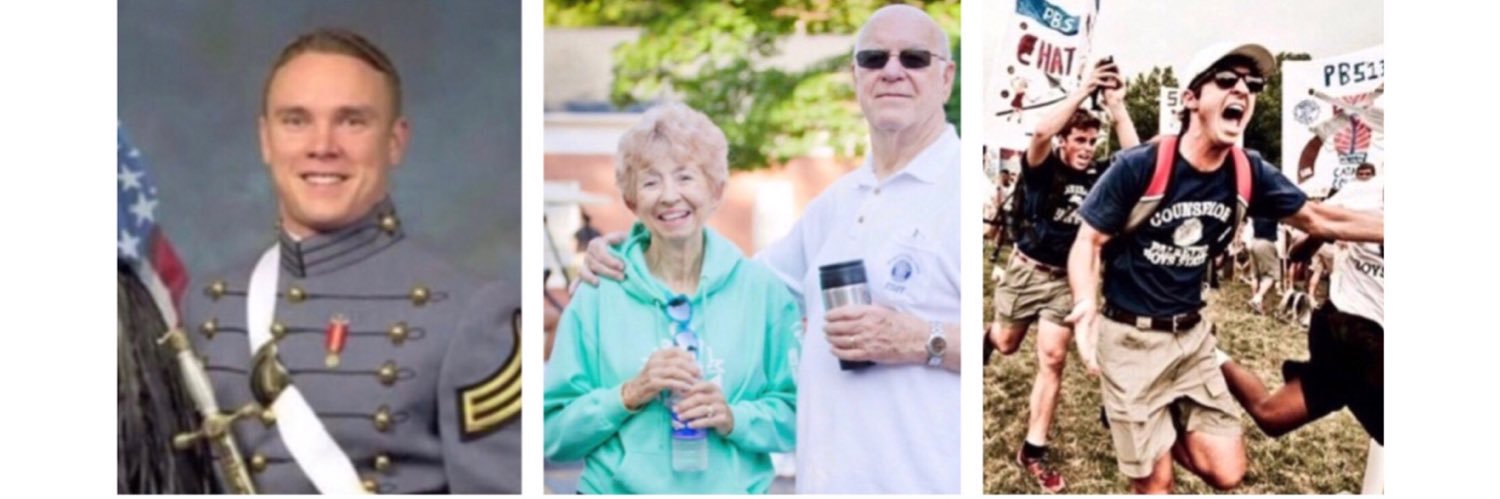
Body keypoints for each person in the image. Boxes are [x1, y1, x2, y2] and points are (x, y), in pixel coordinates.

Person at [579, 5, 962, 493]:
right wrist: (633, 251)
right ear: (855, 76)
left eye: (914, 58)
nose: (891, 71)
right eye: (872, 58)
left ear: (945, 78)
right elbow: (728, 283)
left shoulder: (966, 186)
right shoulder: (839, 202)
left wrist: (921, 339)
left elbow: (1008, 342)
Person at [182, 28, 521, 493]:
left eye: (352, 121)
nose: (323, 145)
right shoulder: (208, 305)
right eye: (295, 120)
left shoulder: (474, 311)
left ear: (395, 141)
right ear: (266, 139)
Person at [1066, 42, 1384, 494]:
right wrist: (1083, 303)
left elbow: (1320, 218)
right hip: (1131, 339)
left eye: (1252, 85)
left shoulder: (1247, 170)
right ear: (1191, 99)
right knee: (1156, 487)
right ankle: (1138, 414)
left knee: (1228, 472)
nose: (1244, 89)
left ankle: (1150, 418)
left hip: (1194, 340)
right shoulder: (1141, 166)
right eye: (1227, 80)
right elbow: (1088, 241)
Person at [542, 103, 800, 494]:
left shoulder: (762, 291)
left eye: (685, 178)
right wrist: (630, 393)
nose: (669, 196)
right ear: (631, 202)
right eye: (649, 182)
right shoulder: (599, 291)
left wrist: (734, 417)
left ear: (716, 191)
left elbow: (799, 414)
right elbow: (552, 434)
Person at [985, 58, 1139, 492]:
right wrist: (1083, 87)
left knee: (1052, 360)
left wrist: (1117, 105)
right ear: (1065, 141)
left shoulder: (1100, 174)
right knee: (1006, 344)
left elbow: (1136, 157)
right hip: (1025, 271)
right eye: (1080, 139)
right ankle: (988, 336)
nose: (1088, 147)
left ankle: (1032, 449)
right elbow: (1038, 133)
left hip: (1065, 280)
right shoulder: (1043, 168)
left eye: (1092, 140)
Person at [1220, 162, 1384, 445]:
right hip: (1352, 327)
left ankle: (1208, 354)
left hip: (1351, 350)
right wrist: (1325, 231)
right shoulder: (1359, 194)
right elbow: (1298, 252)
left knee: (1271, 416)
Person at [1246, 216, 1281, 314]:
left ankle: (1257, 304)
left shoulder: (1258, 212)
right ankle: (1257, 298)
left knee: (1255, 275)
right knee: (1271, 275)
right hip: (1266, 243)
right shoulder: (1273, 212)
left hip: (1254, 242)